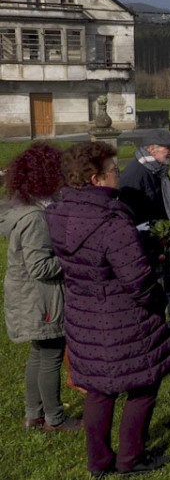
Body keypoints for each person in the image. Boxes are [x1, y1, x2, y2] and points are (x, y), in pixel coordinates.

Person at [45, 141, 170, 478]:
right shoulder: (111, 222)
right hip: (123, 318)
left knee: (99, 389)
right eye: (113, 169)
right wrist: (158, 300)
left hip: (83, 314)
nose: (118, 173)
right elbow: (137, 280)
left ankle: (99, 461)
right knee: (144, 385)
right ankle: (130, 458)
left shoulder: (59, 213)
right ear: (95, 179)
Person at [0, 142, 81, 433]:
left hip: (29, 297)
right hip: (40, 299)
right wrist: (72, 258)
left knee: (39, 353)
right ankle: (54, 419)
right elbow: (41, 267)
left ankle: (33, 415)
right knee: (50, 356)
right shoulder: (35, 218)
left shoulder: (25, 207)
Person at [119, 128, 170, 340]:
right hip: (149, 247)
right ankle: (158, 336)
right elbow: (128, 218)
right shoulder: (135, 175)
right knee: (157, 293)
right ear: (152, 149)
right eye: (169, 148)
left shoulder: (157, 171)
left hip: (165, 242)